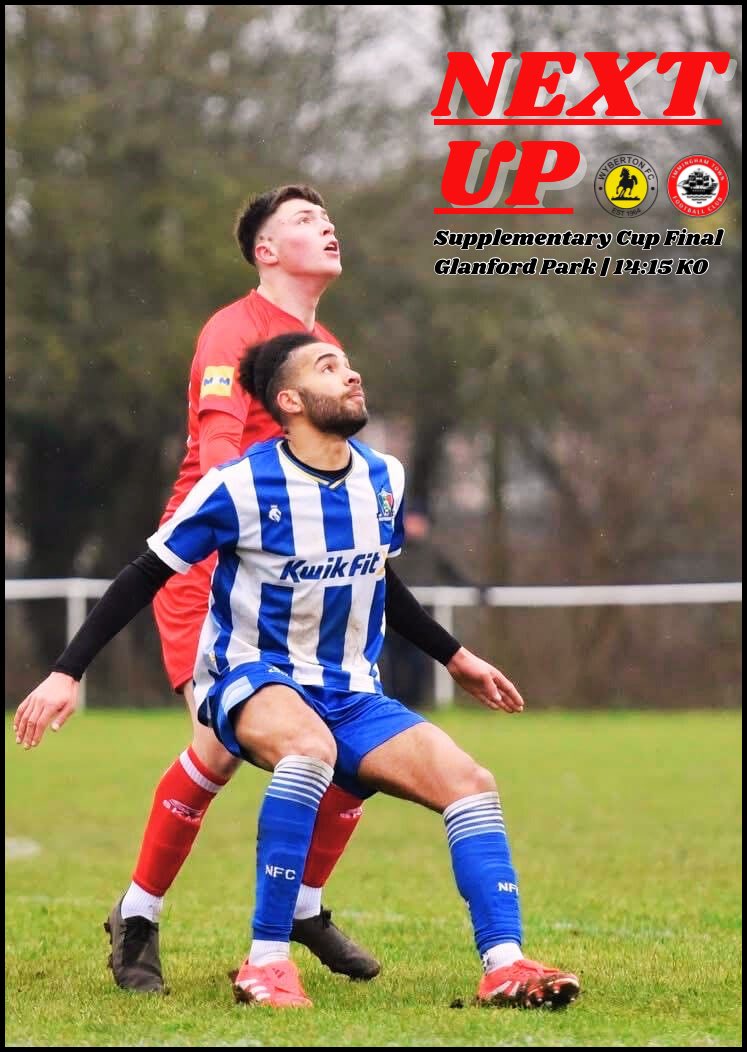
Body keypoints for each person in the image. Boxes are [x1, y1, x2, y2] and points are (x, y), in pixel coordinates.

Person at [15, 332, 581, 1012]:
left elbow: (378, 577)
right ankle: (266, 963)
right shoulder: (238, 486)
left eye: (347, 364)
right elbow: (144, 575)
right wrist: (65, 672)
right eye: (328, 367)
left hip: (350, 690)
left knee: (471, 783)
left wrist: (454, 657)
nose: (351, 375)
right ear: (288, 400)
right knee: (307, 750)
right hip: (250, 676)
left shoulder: (384, 477)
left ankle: (505, 964)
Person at [106, 183, 375, 992]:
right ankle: (139, 916)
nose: (324, 226)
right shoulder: (233, 330)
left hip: (297, 580)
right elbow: (222, 449)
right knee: (218, 749)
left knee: (351, 749)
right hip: (213, 571)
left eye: (326, 218)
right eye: (302, 220)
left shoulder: (322, 341)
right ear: (265, 251)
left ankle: (303, 907)